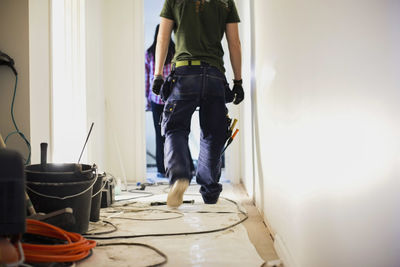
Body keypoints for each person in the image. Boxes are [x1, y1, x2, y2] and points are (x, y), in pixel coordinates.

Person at [152, 0, 244, 207]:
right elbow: (234, 42)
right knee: (213, 133)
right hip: (214, 75)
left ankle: (180, 176)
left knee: (175, 127)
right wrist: (238, 81)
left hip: (184, 73)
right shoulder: (226, 2)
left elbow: (163, 37)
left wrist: (158, 74)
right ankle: (210, 191)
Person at [145, 24, 175, 178]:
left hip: (158, 99)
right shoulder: (175, 52)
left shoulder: (150, 54)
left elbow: (147, 78)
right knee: (174, 133)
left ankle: (162, 170)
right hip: (171, 99)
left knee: (163, 135)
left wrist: (147, 98)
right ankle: (175, 169)